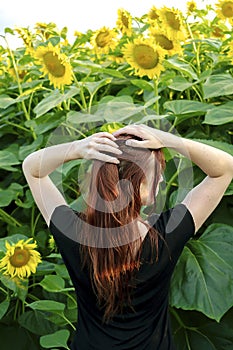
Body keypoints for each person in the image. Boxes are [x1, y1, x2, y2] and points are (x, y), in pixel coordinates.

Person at [22, 124, 233, 350]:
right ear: (134, 184)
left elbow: (32, 169)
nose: (161, 179)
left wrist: (78, 148)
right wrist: (168, 139)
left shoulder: (73, 232)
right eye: (157, 172)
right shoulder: (167, 233)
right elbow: (225, 168)